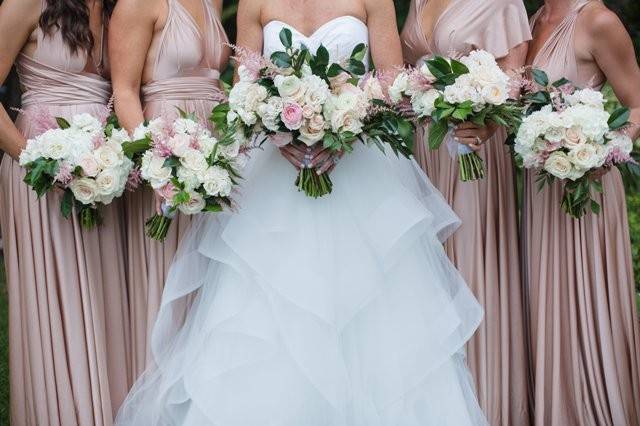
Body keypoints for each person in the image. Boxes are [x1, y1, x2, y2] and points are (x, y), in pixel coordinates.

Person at [115, 0, 488, 424]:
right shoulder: (256, 3)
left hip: (360, 169)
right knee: (269, 303)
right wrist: (277, 133)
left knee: (370, 304)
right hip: (274, 173)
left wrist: (346, 127)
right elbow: (244, 89)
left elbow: (391, 84)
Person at [401, 1, 532, 424]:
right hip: (427, 143)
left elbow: (515, 78)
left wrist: (485, 121)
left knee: (471, 261)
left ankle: (485, 397)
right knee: (428, 265)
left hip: (470, 144)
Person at [0, 0, 131, 424]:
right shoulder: (27, 3)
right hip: (39, 179)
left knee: (102, 297)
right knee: (58, 302)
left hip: (101, 177)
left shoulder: (114, 9)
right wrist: (37, 160)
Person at [523, 1, 640, 424]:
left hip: (585, 186)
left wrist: (598, 152)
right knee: (544, 292)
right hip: (539, 185)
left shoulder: (599, 21)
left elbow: (637, 104)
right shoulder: (535, 18)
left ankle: (589, 407)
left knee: (581, 293)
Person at [109, 0, 230, 378]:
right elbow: (125, 92)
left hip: (216, 147)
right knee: (169, 277)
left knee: (216, 274)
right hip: (167, 147)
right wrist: (158, 166)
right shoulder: (136, 4)